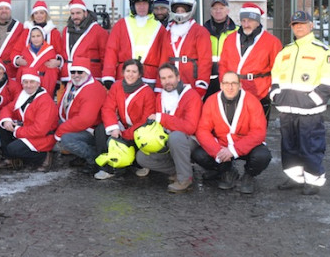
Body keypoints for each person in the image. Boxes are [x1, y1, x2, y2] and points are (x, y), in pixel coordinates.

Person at [271, 10, 330, 195]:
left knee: (310, 146)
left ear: (311, 25)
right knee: (289, 146)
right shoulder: (286, 51)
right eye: (295, 24)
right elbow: (275, 76)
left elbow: (329, 83)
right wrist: (275, 95)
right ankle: (295, 179)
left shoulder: (323, 51)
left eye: (302, 23)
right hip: (287, 109)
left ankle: (313, 181)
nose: (298, 26)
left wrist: (311, 102)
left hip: (310, 112)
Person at [192, 71, 271, 194]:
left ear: (240, 85)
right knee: (198, 154)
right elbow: (202, 130)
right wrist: (217, 150)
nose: (230, 87)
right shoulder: (212, 101)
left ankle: (248, 176)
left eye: (234, 83)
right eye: (226, 83)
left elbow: (259, 132)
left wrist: (234, 150)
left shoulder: (252, 101)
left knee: (263, 156)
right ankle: (226, 171)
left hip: (245, 146)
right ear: (221, 85)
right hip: (222, 145)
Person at [135, 62, 203, 193]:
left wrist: (162, 118)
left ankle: (185, 179)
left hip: (188, 139)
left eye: (170, 77)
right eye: (163, 78)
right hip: (165, 139)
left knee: (175, 136)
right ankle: (181, 169)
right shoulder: (160, 97)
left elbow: (189, 127)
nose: (167, 81)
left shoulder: (191, 95)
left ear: (178, 77)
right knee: (141, 157)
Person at [94, 58, 154, 180]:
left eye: (134, 72)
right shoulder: (116, 86)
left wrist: (126, 134)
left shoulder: (147, 92)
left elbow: (145, 119)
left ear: (140, 74)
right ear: (123, 72)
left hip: (139, 130)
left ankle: (141, 164)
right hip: (123, 126)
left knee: (139, 153)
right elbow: (108, 108)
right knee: (101, 129)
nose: (130, 75)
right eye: (128, 71)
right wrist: (114, 127)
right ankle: (107, 168)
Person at [219, 2, 282, 118]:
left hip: (260, 91)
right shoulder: (230, 39)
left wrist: (270, 91)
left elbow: (278, 69)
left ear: (258, 22)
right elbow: (223, 64)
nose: (246, 24)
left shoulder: (272, 42)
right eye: (243, 21)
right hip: (233, 90)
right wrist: (223, 84)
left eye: (250, 21)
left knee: (258, 129)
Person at [103, 0, 167, 89]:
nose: (141, 7)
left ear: (150, 5)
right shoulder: (122, 24)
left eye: (144, 4)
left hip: (149, 77)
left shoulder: (160, 28)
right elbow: (111, 50)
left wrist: (160, 83)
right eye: (138, 4)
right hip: (125, 75)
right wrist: (108, 75)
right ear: (133, 6)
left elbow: (164, 57)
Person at [0, 66, 58, 172]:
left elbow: (40, 130)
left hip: (42, 137)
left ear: (38, 83)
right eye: (25, 82)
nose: (28, 85)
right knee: (2, 126)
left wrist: (16, 131)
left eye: (32, 82)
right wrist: (6, 120)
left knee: (13, 149)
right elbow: (7, 108)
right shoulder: (23, 95)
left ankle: (44, 156)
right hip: (28, 130)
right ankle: (10, 159)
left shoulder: (45, 101)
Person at [55, 57, 107, 169]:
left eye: (80, 72)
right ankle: (81, 155)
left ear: (87, 73)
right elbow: (62, 105)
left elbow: (85, 120)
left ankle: (94, 158)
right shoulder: (72, 85)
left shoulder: (93, 89)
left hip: (91, 130)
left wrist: (60, 131)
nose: (76, 75)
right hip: (76, 124)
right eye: (73, 72)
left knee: (67, 139)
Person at [163, 0, 212, 97]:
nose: (180, 13)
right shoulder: (168, 32)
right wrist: (160, 82)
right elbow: (163, 59)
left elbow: (205, 61)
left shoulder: (200, 31)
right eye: (178, 10)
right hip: (169, 82)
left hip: (191, 81)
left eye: (183, 10)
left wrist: (202, 84)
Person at [55, 0, 109, 83]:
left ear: (85, 13)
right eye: (72, 14)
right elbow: (63, 52)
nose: (75, 16)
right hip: (68, 77)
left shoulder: (99, 31)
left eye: (78, 13)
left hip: (90, 77)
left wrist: (106, 76)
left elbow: (105, 57)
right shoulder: (66, 30)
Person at [203, 0, 238, 99]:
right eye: (215, 8)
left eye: (221, 8)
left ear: (228, 11)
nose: (218, 11)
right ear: (211, 11)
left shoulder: (237, 31)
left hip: (229, 79)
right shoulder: (202, 31)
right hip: (207, 78)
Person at [12, 26, 59, 97]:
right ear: (30, 38)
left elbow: (52, 73)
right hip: (28, 85)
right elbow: (21, 71)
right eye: (33, 36)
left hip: (43, 83)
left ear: (43, 37)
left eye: (38, 36)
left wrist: (47, 89)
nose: (36, 39)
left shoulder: (50, 51)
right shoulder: (25, 50)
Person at [0, 0, 25, 80]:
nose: (4, 11)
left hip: (11, 70)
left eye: (6, 8)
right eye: (1, 8)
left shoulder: (19, 27)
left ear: (10, 10)